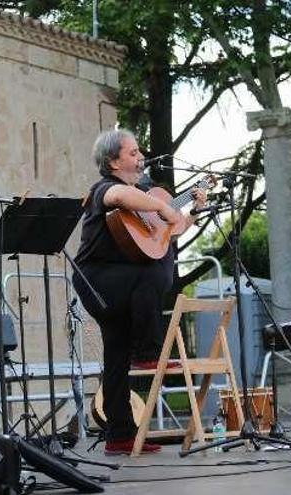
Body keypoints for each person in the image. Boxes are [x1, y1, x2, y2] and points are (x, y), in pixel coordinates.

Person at [72, 129, 205, 455]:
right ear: (114, 161)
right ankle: (148, 350)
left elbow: (169, 230)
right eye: (132, 153)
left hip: (122, 283)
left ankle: (120, 435)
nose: (140, 157)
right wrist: (164, 208)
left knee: (116, 355)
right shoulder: (104, 189)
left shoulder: (143, 195)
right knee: (155, 268)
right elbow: (120, 197)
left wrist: (193, 210)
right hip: (97, 281)